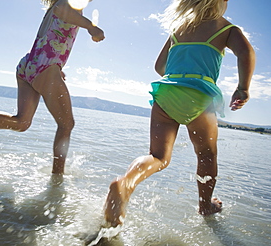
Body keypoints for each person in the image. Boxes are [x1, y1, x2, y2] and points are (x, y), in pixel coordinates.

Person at [104, 0, 255, 227]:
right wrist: (242, 88)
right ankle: (205, 205)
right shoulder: (226, 29)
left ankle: (126, 182)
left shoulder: (179, 29)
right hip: (199, 96)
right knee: (206, 154)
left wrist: (180, 70)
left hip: (166, 93)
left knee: (158, 156)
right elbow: (246, 53)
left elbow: (159, 67)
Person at [0, 0, 105, 174]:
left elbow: (53, 37)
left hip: (30, 65)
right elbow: (61, 9)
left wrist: (56, 67)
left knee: (22, 122)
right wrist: (91, 27)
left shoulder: (58, 7)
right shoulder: (67, 3)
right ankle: (57, 180)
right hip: (45, 67)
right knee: (66, 124)